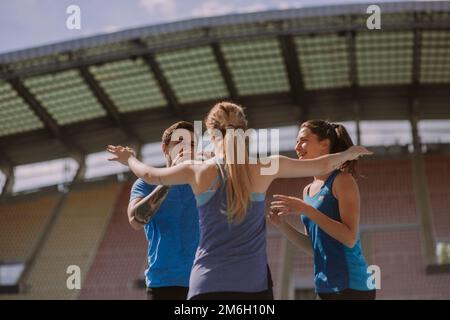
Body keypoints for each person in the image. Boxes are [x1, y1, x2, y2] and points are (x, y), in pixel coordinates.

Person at [108, 102, 372, 300]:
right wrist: (348, 152)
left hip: (205, 288)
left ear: (211, 134)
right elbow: (322, 163)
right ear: (244, 132)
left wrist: (128, 158)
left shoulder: (197, 170)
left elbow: (149, 174)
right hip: (253, 290)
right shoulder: (264, 168)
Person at [269, 120, 376, 300]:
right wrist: (281, 225)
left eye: (303, 140)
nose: (297, 146)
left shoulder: (343, 180)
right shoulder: (307, 190)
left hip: (352, 285)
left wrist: (306, 209)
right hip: (324, 286)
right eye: (296, 142)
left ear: (324, 144)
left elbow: (349, 239)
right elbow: (314, 248)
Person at [127, 121, 200, 300]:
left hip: (203, 282)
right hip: (163, 285)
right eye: (179, 142)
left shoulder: (206, 181)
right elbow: (136, 220)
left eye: (192, 144)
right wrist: (168, 180)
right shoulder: (145, 183)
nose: (186, 148)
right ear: (165, 148)